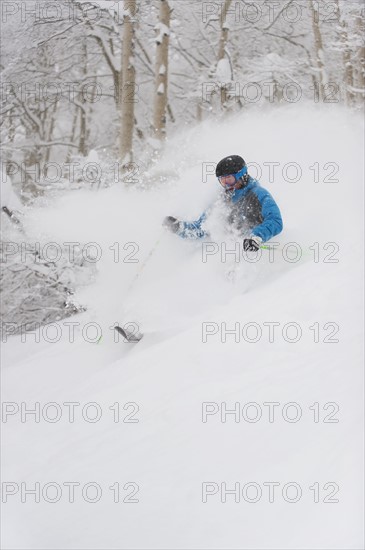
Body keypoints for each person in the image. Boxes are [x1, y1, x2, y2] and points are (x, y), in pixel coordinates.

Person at [163, 155, 283, 251]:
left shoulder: (258, 194)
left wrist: (257, 237)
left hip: (257, 250)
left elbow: (275, 221)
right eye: (222, 180)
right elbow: (202, 228)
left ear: (242, 175)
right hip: (229, 254)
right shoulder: (222, 200)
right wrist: (178, 227)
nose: (226, 185)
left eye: (229, 179)